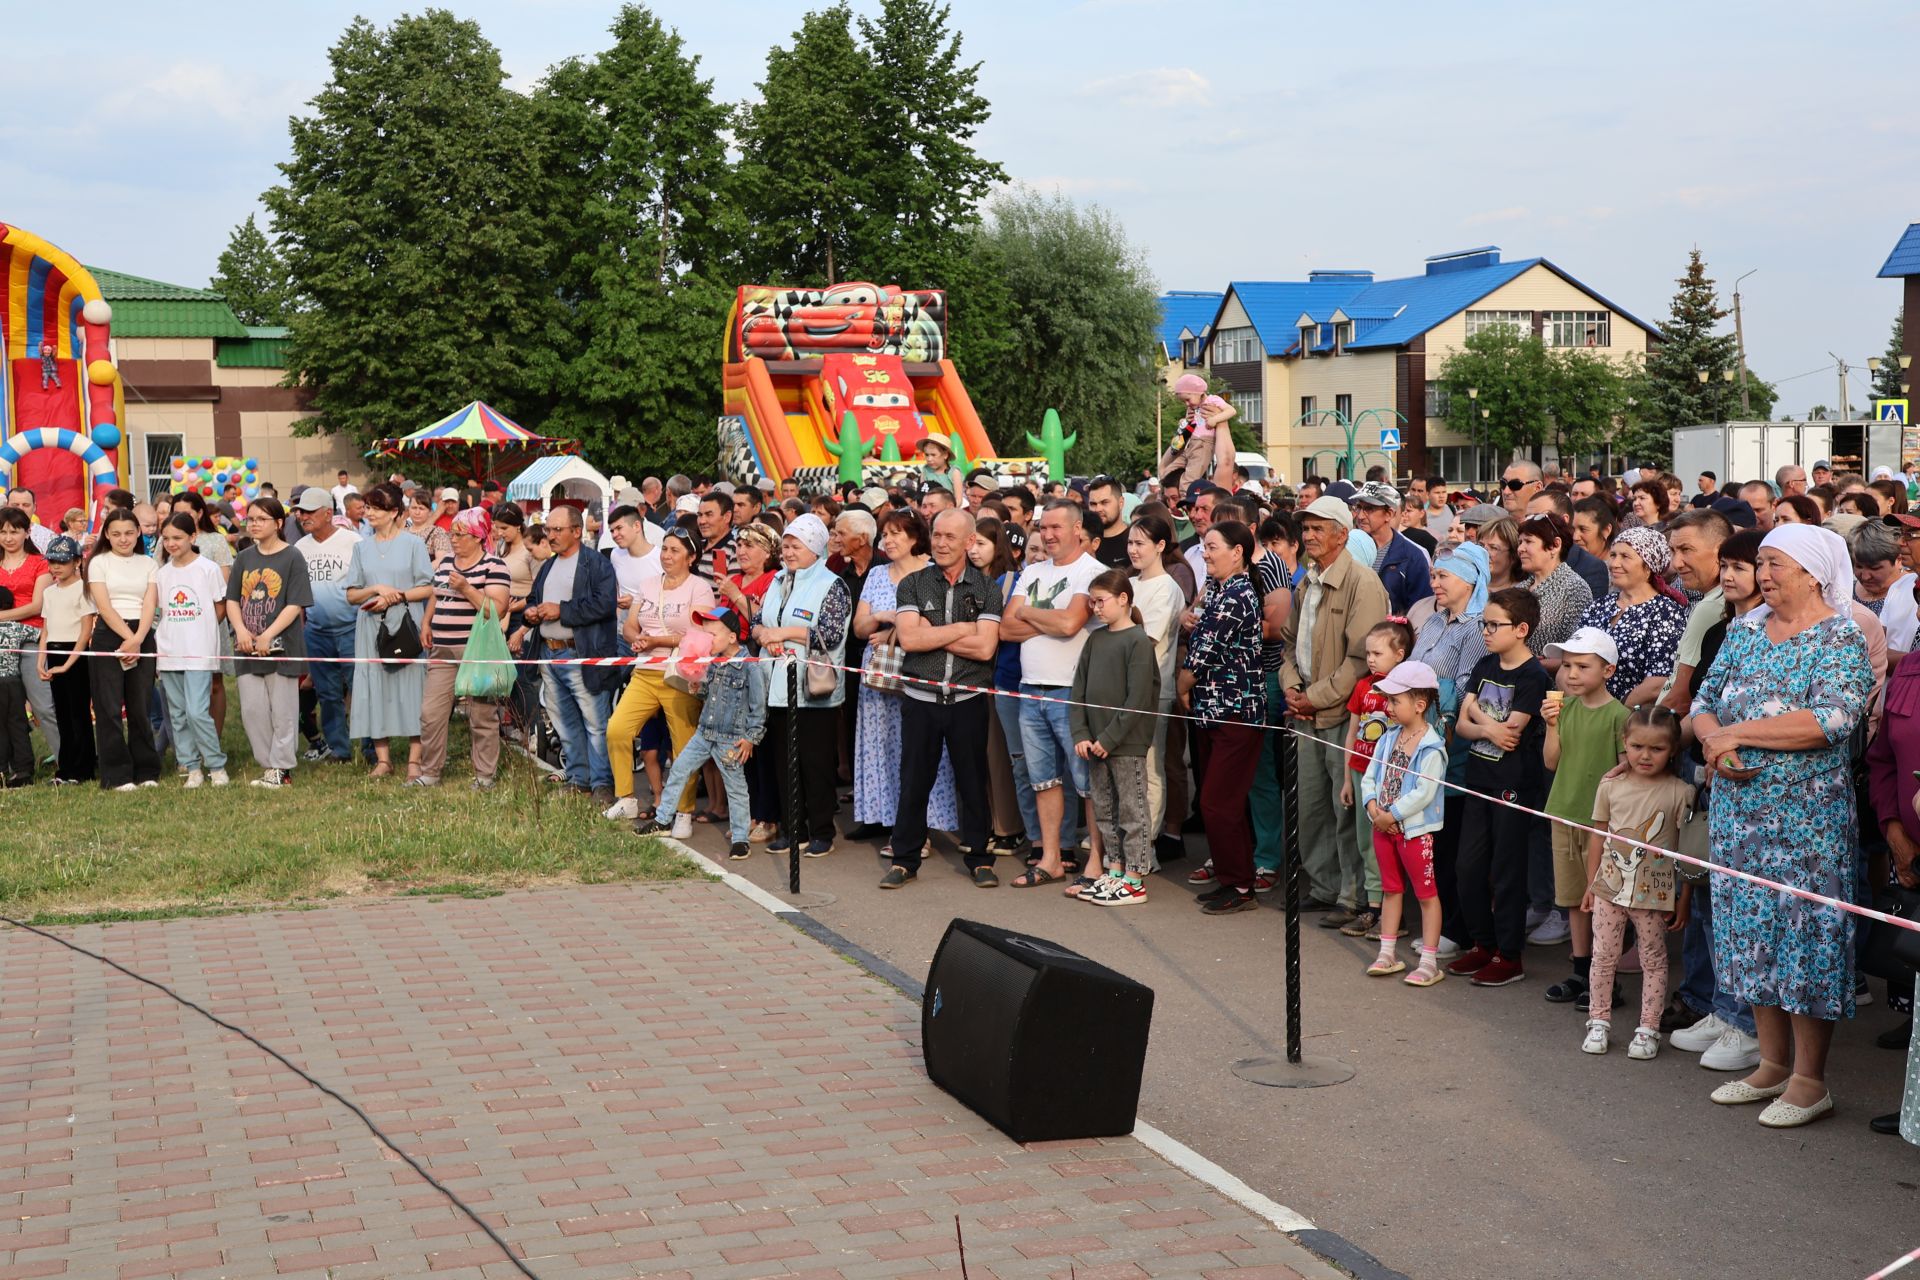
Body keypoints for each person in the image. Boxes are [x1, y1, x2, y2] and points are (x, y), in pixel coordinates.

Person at [1689, 524, 1873, 1127]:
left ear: (1813, 571)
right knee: (1750, 935)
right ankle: (1769, 1064)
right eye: (1759, 565)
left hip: (1807, 822)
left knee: (1804, 941)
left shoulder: (1839, 635)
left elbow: (1832, 720)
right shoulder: (1743, 630)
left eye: (1774, 565)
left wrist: (1734, 734)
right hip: (1740, 818)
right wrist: (1716, 741)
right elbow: (1703, 702)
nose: (1761, 576)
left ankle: (1809, 1079)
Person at [1280, 496, 1390, 918]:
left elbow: (1362, 661)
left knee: (1346, 811)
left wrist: (1315, 696)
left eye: (1318, 528)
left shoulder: (1363, 583)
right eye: (1305, 528)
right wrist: (1292, 688)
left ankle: (1354, 896)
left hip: (1345, 716)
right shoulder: (1307, 581)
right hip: (1306, 712)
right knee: (1310, 807)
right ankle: (1325, 887)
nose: (1308, 535)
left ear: (1342, 534)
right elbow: (1289, 644)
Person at [882, 509, 1003, 890]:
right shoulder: (913, 584)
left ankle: (980, 860)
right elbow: (910, 640)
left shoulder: (987, 589)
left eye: (951, 536)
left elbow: (985, 649)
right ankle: (904, 860)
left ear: (970, 542)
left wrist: (933, 631)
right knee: (914, 781)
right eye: (937, 535)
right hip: (921, 699)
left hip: (967, 701)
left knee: (972, 782)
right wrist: (962, 627)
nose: (941, 543)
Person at [1579, 706, 1694, 1059]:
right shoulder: (1609, 786)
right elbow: (1597, 837)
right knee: (1603, 956)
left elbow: (1689, 852)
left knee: (1655, 960)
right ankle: (1598, 1021)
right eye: (1637, 747)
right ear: (1624, 743)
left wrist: (1684, 897)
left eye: (1656, 749)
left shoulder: (1681, 791)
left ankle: (1648, 1029)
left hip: (1655, 895)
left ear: (1672, 749)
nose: (1645, 755)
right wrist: (1591, 883)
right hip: (1609, 890)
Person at [1448, 587, 1550, 987]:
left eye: (1494, 625)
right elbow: (1460, 726)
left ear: (1521, 629)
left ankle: (1509, 955)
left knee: (1507, 870)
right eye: (1484, 623)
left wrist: (1477, 717)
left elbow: (1512, 734)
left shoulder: (1533, 676)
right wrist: (1479, 721)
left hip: (1512, 785)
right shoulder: (1486, 663)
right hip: (1478, 778)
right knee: (1467, 867)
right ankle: (1482, 942)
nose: (1486, 631)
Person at [1002, 502, 1104, 887]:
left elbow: (1070, 623)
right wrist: (1051, 621)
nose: (1047, 534)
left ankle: (1095, 859)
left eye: (1056, 527)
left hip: (1072, 691)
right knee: (1042, 779)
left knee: (1087, 782)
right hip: (1030, 689)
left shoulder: (1092, 572)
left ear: (1078, 529)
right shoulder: (1032, 570)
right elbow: (1005, 631)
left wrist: (1028, 614)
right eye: (1043, 527)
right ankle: (1051, 858)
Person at [852, 511, 957, 843]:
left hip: (917, 669)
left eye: (896, 533)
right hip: (878, 675)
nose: (889, 539)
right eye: (885, 533)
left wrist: (893, 628)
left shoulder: (932, 575)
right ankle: (889, 819)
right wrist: (885, 616)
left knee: (917, 750)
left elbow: (936, 624)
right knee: (881, 747)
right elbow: (859, 627)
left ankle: (918, 830)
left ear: (915, 538)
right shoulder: (877, 574)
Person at [1181, 521, 1267, 914]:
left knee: (1219, 801)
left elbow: (1204, 651)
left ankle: (1241, 885)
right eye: (1203, 547)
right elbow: (1197, 628)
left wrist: (1183, 685)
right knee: (1217, 800)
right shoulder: (1217, 588)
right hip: (1211, 711)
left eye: (1212, 547)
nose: (1205, 553)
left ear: (1238, 552)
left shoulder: (1238, 594)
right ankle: (1232, 878)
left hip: (1236, 711)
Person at [1540, 627, 1628, 1009]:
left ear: (1607, 671)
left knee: (1605, 899)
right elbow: (1551, 761)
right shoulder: (1565, 710)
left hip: (1602, 823)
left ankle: (1607, 975)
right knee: (1574, 897)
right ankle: (1581, 969)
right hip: (1564, 811)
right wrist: (1551, 725)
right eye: (1567, 666)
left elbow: (1626, 769)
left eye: (1581, 666)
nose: (1571, 674)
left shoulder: (1619, 715)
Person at [754, 514, 852, 857]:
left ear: (814, 548)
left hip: (814, 688)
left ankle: (822, 830)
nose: (789, 551)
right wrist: (763, 635)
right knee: (783, 761)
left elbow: (831, 633)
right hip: (777, 684)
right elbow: (759, 621)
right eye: (786, 545)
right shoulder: (778, 579)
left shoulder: (832, 584)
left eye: (796, 545)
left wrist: (784, 633)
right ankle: (793, 828)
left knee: (815, 762)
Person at [636, 607, 765, 859]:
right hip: (704, 732)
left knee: (736, 788)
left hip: (731, 738)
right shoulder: (713, 660)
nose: (707, 640)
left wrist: (751, 738)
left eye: (713, 634)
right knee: (679, 769)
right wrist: (699, 687)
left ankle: (740, 839)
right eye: (704, 634)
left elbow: (758, 706)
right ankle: (663, 821)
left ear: (732, 637)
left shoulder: (749, 666)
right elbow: (712, 694)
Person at [605, 527, 714, 827]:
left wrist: (657, 642)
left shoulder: (700, 588)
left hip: (679, 674)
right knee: (617, 729)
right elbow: (630, 624)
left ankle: (683, 812)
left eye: (675, 550)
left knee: (683, 746)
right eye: (665, 549)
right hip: (645, 671)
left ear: (691, 557)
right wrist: (637, 638)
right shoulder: (648, 584)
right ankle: (626, 798)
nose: (667, 555)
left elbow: (698, 633)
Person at [1066, 570, 1159, 904]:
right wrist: (1082, 733)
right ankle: (1115, 870)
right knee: (1104, 809)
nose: (1095, 608)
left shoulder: (1137, 641)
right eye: (1092, 601)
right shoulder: (1096, 639)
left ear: (1123, 600)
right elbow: (1078, 691)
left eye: (1101, 601)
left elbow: (1137, 700)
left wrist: (1109, 737)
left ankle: (1135, 877)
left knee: (1132, 810)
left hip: (1124, 744)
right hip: (1095, 743)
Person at [1358, 659, 1449, 985]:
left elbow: (1424, 793)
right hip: (1383, 827)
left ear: (1420, 705)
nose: (1388, 706)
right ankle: (1387, 953)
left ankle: (1428, 960)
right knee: (1391, 889)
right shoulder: (1387, 737)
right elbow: (1369, 776)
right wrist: (1373, 809)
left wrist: (1391, 816)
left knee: (1426, 894)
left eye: (1395, 700)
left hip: (1413, 833)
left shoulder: (1432, 747)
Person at [524, 505, 620, 799]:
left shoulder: (595, 564)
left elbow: (604, 604)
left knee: (595, 723)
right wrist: (532, 612)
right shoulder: (548, 566)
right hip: (549, 655)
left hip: (581, 655)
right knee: (565, 723)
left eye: (557, 530)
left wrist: (561, 611)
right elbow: (533, 598)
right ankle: (578, 778)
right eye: (547, 530)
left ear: (576, 532)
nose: (550, 536)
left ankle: (602, 783)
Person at [418, 506, 511, 789]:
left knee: (481, 716)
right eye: (452, 533)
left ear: (478, 537)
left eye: (460, 534)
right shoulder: (445, 563)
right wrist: (426, 623)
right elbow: (436, 595)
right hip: (442, 650)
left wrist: (467, 588)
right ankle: (429, 772)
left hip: (477, 651)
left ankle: (484, 777)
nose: (454, 539)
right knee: (430, 713)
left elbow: (496, 608)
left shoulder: (494, 566)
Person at [345, 484, 433, 782]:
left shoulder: (413, 544)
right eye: (367, 507)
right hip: (370, 627)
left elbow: (427, 586)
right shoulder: (361, 547)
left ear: (394, 512)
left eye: (375, 507)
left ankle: (414, 761)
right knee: (375, 688)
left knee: (412, 690)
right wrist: (376, 590)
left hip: (406, 624)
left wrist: (397, 596)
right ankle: (383, 759)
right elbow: (352, 594)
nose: (368, 512)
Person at [1336, 619, 1416, 938]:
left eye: (1377, 653)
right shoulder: (1362, 687)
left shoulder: (1404, 691)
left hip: (1389, 777)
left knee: (1389, 843)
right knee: (1366, 841)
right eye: (1368, 653)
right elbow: (1353, 733)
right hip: (1360, 772)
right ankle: (1373, 907)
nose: (1370, 659)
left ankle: (1394, 912)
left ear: (1399, 654)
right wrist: (1346, 778)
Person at [225, 497, 311, 788]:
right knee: (252, 710)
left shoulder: (292, 557)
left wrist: (267, 635)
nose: (254, 524)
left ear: (278, 523)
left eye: (261, 519)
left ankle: (281, 768)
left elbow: (295, 604)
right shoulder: (245, 557)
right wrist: (241, 631)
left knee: (283, 711)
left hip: (282, 646)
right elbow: (233, 599)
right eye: (250, 519)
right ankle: (268, 764)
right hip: (248, 648)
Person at [84, 507, 160, 791]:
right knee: (109, 707)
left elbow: (150, 604)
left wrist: (138, 638)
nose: (123, 539)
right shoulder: (98, 562)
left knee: (140, 706)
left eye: (129, 533)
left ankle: (147, 770)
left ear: (138, 532)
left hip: (142, 634)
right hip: (108, 634)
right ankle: (116, 774)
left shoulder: (148, 563)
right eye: (116, 534)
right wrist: (129, 638)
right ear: (107, 535)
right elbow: (103, 606)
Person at [1128, 514, 1189, 865]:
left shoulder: (1167, 588)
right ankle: (1130, 842)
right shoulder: (1131, 583)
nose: (1133, 550)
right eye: (1131, 543)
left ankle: (1145, 846)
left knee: (1150, 771)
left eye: (1140, 544)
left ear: (1160, 546)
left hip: (1154, 691)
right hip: (1123, 691)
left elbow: (1144, 639)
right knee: (1129, 771)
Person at [153, 514, 228, 788]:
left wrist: (203, 629)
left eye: (178, 538)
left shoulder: (208, 569)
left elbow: (220, 606)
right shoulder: (161, 573)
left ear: (192, 538)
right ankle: (192, 767)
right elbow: (161, 610)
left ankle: (216, 765)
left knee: (198, 711)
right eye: (167, 538)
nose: (171, 543)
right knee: (178, 713)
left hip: (199, 651)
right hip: (170, 651)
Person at [1580, 528, 1689, 706]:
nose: (1614, 563)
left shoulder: (1665, 612)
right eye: (1613, 555)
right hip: (1585, 712)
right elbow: (1569, 662)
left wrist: (1612, 714)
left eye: (1625, 556)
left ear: (1648, 567)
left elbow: (1658, 682)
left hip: (1630, 719)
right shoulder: (1599, 606)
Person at [291, 487, 359, 763]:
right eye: (299, 511)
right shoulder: (300, 548)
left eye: (308, 511)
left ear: (328, 513)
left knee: (360, 688)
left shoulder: (353, 541)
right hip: (316, 630)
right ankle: (339, 748)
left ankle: (370, 746)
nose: (302, 516)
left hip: (352, 627)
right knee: (327, 692)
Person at [1658, 509, 1734, 716]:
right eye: (1673, 551)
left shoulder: (1712, 606)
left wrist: (1645, 737)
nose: (1676, 563)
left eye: (1686, 550)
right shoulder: (1714, 600)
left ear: (1720, 551)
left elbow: (1681, 698)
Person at [35, 537, 93, 784]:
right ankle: (65, 769)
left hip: (76, 655)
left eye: (63, 561)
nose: (56, 567)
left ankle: (83, 769)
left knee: (79, 713)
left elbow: (85, 631)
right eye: (52, 561)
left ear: (77, 562)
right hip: (54, 653)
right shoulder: (49, 592)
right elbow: (46, 630)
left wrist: (70, 662)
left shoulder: (84, 590)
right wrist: (41, 661)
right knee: (62, 714)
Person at [0, 507, 55, 766]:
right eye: (2, 532)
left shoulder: (40, 562)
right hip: (1, 644)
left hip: (33, 638)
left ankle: (66, 762)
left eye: (14, 531)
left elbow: (37, 606)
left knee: (43, 705)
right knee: (5, 710)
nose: (8, 537)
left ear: (26, 532)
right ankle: (14, 765)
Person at [1515, 514, 1594, 657]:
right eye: (1520, 542)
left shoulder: (1575, 589)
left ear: (1555, 545)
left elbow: (1574, 650)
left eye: (1528, 541)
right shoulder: (1518, 590)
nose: (1520, 548)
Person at [1351, 483, 1431, 614]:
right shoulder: (1346, 547)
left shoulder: (1412, 556)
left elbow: (1420, 610)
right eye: (1358, 507)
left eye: (1369, 509)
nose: (1360, 516)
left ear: (1389, 514)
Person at [1159, 373, 1235, 490]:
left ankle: (1185, 500)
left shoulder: (1213, 400)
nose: (1187, 404)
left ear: (1198, 392)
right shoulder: (1193, 407)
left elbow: (1231, 411)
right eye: (1184, 401)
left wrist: (1215, 419)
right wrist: (1184, 422)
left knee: (1189, 479)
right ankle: (1166, 493)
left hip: (1203, 444)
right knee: (1168, 472)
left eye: (1188, 399)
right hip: (1189, 444)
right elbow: (1190, 426)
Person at [693, 491, 739, 583]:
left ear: (727, 517)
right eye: (700, 515)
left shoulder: (736, 551)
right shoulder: (694, 546)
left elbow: (729, 593)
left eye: (709, 515)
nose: (702, 521)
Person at [1086, 476, 1132, 568]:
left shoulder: (1135, 540)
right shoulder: (1083, 540)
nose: (1098, 509)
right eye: (1093, 504)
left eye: (1104, 502)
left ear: (1121, 503)